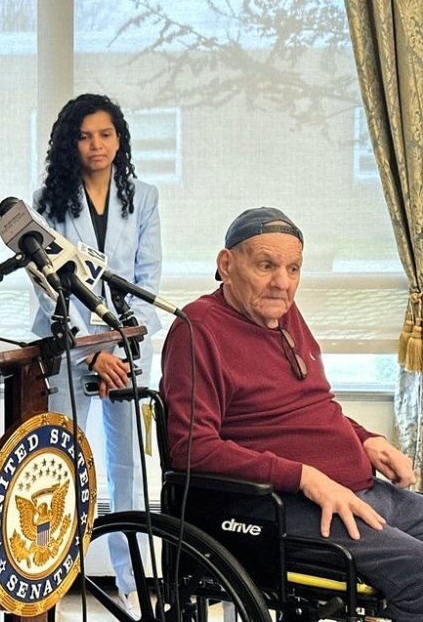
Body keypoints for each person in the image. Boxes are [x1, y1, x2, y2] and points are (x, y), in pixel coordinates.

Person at [160, 207, 423, 620]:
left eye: (293, 268)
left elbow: (311, 406)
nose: (283, 283)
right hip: (274, 509)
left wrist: (365, 439)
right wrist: (304, 476)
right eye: (266, 265)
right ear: (226, 265)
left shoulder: (282, 313)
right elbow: (193, 450)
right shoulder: (198, 329)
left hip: (357, 491)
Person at [31, 93, 162, 613]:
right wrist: (91, 349)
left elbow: (148, 280)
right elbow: (46, 283)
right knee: (57, 469)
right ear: (70, 143)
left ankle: (134, 590)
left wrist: (120, 345)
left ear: (120, 139)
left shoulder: (144, 197)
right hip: (69, 349)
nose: (97, 144)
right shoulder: (46, 200)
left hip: (126, 352)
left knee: (128, 471)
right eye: (85, 136)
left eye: (106, 134)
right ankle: (51, 584)